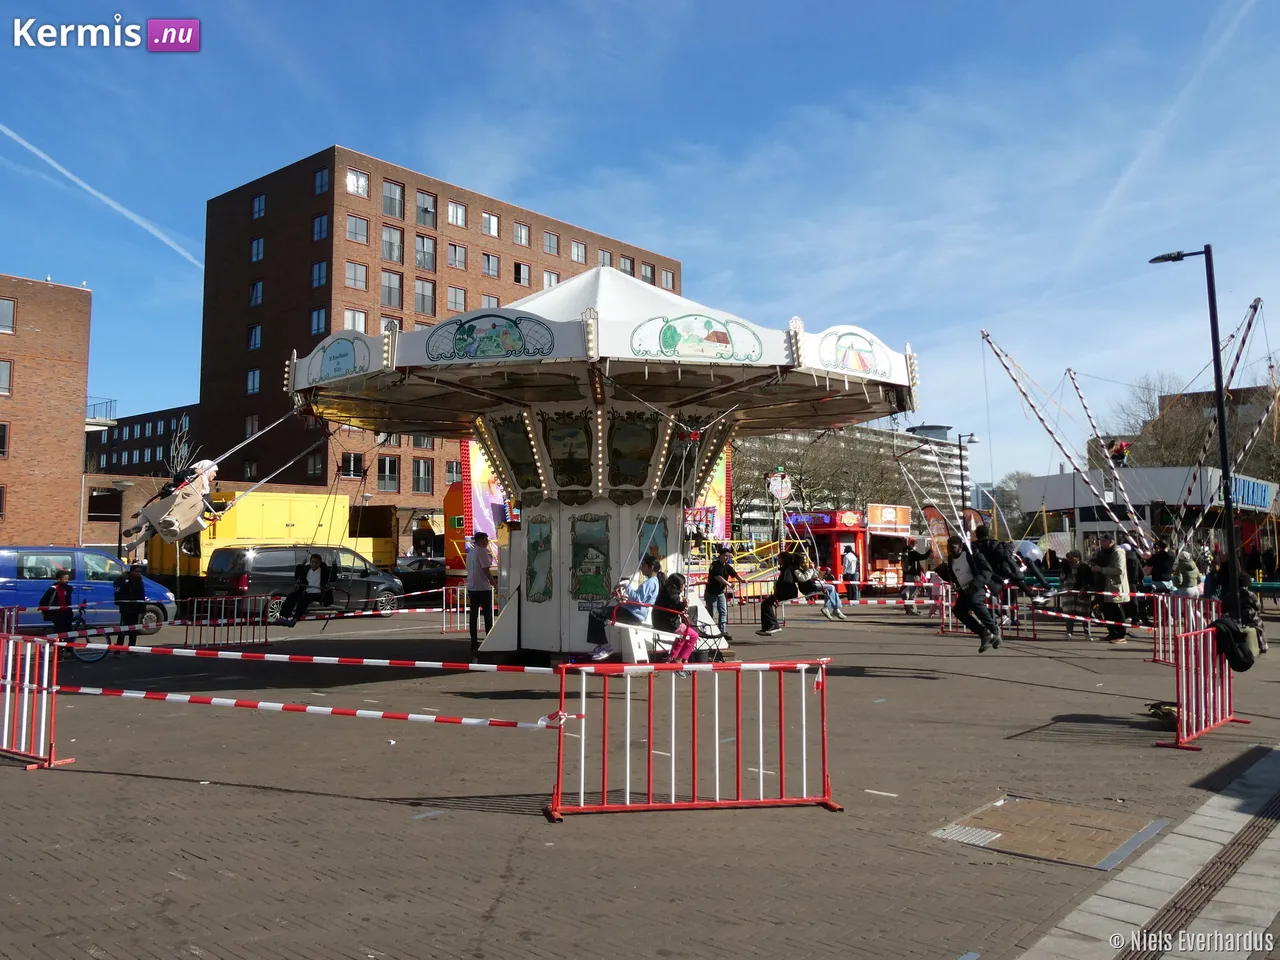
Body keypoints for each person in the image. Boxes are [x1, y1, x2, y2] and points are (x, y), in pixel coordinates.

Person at [589, 554, 662, 661]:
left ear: (650, 567)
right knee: (599, 614)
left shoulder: (650, 583)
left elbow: (638, 599)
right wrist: (622, 599)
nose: (641, 568)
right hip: (633, 612)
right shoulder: (653, 582)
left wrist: (626, 585)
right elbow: (638, 600)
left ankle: (604, 646)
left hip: (633, 614)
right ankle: (601, 645)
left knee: (594, 613)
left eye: (643, 566)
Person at [938, 535, 1000, 652]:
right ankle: (984, 633)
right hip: (964, 590)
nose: (950, 550)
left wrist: (975, 584)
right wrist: (941, 571)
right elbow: (952, 577)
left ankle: (994, 630)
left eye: (953, 547)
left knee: (975, 603)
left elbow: (987, 571)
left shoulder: (972, 555)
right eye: (948, 548)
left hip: (976, 586)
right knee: (958, 611)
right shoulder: (951, 560)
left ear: (961, 547)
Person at [654, 572, 701, 673]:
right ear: (679, 584)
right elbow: (677, 609)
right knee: (693, 635)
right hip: (669, 623)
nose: (684, 587)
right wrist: (684, 604)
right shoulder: (674, 595)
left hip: (658, 621)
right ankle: (681, 659)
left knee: (682, 634)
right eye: (684, 584)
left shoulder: (665, 590)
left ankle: (672, 657)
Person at [1089, 532, 1129, 643]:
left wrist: (1101, 569)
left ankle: (1121, 635)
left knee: (1116, 611)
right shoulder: (1103, 553)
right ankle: (1112, 633)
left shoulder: (1118, 552)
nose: (1101, 543)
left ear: (1111, 541)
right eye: (1101, 541)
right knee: (1107, 611)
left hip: (1115, 587)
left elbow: (1119, 570)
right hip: (1104, 587)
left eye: (1103, 541)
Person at [277, 553, 330, 626]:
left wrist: (334, 565)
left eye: (316, 563)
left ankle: (295, 619)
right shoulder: (306, 570)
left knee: (304, 599)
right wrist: (301, 565)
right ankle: (284, 617)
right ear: (310, 562)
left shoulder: (324, 571)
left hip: (317, 594)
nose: (314, 565)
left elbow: (333, 577)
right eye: (312, 562)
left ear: (319, 563)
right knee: (291, 596)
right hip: (306, 591)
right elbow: (297, 575)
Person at [466, 532, 497, 656]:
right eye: (485, 539)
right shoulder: (482, 552)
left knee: (473, 616)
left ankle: (474, 641)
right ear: (479, 540)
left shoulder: (470, 553)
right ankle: (489, 641)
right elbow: (486, 569)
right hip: (483, 588)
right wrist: (494, 583)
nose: (487, 542)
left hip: (472, 587)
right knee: (488, 615)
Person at [757, 552, 801, 636]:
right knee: (766, 604)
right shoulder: (785, 569)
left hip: (787, 592)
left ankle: (773, 625)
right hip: (784, 591)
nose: (778, 560)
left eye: (780, 558)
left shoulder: (787, 569)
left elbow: (786, 582)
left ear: (784, 559)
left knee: (766, 604)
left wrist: (777, 593)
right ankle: (767, 627)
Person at [703, 545, 741, 638]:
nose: (727, 557)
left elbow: (734, 574)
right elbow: (718, 577)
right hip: (711, 593)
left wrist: (742, 580)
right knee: (711, 612)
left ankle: (722, 632)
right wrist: (728, 584)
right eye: (725, 555)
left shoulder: (727, 566)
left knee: (723, 612)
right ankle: (708, 631)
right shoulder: (714, 565)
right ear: (720, 556)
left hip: (720, 593)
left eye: (728, 556)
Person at [795, 554, 846, 621]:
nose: (805, 561)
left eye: (805, 559)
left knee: (831, 590)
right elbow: (804, 578)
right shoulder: (796, 570)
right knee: (831, 588)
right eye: (803, 560)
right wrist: (810, 569)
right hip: (808, 587)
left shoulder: (806, 568)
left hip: (813, 585)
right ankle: (833, 609)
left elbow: (816, 576)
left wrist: (816, 570)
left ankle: (834, 609)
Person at [1059, 550, 1095, 641]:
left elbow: (1088, 580)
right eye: (1069, 558)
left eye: (1073, 557)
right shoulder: (1066, 567)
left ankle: (1087, 634)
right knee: (1069, 614)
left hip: (1082, 593)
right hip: (1068, 593)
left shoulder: (1084, 567)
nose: (1071, 560)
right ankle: (1069, 633)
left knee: (1084, 613)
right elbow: (1062, 578)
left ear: (1078, 558)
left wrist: (1085, 587)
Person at [114, 563, 147, 654]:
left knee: (133, 629)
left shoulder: (139, 580)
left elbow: (141, 595)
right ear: (132, 571)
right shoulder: (123, 580)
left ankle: (131, 648)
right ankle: (118, 649)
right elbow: (118, 591)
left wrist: (143, 609)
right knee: (123, 629)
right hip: (126, 608)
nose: (138, 573)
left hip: (135, 608)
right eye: (136, 571)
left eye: (140, 572)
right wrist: (119, 602)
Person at [39, 569, 75, 636]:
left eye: (67, 579)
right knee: (60, 634)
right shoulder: (53, 590)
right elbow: (43, 603)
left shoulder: (67, 589)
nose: (67, 581)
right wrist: (51, 613)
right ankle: (59, 646)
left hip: (67, 616)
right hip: (58, 616)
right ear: (59, 580)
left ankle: (68, 646)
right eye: (65, 579)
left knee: (69, 634)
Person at [901, 539, 931, 616]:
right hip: (914, 575)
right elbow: (924, 556)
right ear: (915, 545)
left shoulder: (906, 552)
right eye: (916, 545)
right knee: (913, 593)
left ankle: (908, 609)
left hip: (907, 574)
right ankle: (912, 609)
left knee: (910, 590)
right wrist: (930, 550)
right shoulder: (913, 553)